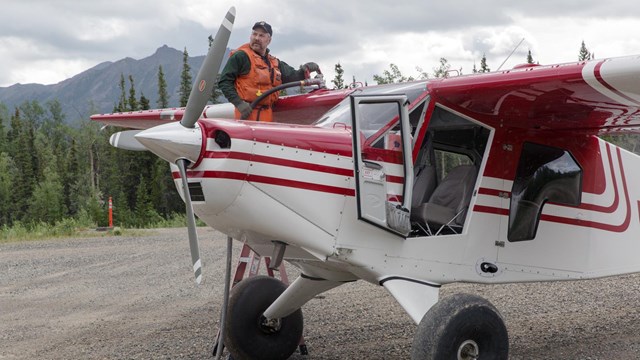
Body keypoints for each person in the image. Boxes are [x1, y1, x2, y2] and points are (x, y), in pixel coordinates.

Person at [218, 21, 320, 122]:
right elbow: (224, 81)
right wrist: (239, 103)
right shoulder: (241, 56)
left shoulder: (275, 63)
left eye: (261, 35)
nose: (257, 38)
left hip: (267, 117)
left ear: (269, 40)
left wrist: (306, 69)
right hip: (246, 117)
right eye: (254, 34)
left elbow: (294, 77)